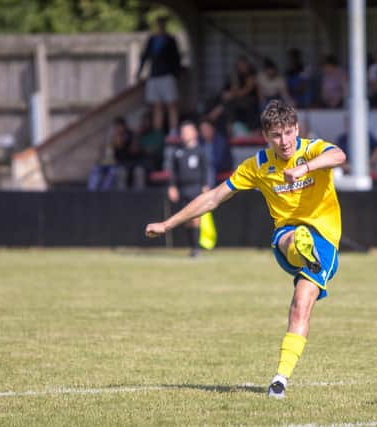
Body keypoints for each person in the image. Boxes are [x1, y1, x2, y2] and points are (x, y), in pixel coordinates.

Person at [145, 100, 346, 399]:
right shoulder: (258, 165)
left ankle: (280, 379)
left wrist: (305, 168)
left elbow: (339, 155)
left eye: (289, 132)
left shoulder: (311, 149)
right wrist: (168, 224)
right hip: (286, 235)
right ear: (266, 135)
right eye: (277, 135)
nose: (285, 141)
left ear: (297, 129)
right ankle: (301, 248)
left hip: (326, 240)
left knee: (300, 304)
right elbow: (213, 197)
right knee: (292, 238)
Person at [166, 121, 210, 257]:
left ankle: (197, 248)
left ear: (194, 133)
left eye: (187, 131)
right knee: (187, 220)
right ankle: (192, 247)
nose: (184, 134)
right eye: (182, 132)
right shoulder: (177, 152)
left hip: (196, 188)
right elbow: (173, 171)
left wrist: (205, 185)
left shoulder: (200, 151)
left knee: (196, 217)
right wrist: (172, 186)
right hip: (183, 189)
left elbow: (205, 170)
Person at [137, 16, 182, 138]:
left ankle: (173, 131)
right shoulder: (151, 39)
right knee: (157, 105)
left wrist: (176, 73)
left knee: (171, 104)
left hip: (167, 75)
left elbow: (176, 58)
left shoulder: (170, 39)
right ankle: (158, 132)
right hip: (154, 75)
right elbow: (145, 56)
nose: (160, 26)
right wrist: (139, 73)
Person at [198, 118, 233, 188]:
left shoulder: (220, 141)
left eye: (206, 129)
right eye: (202, 130)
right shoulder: (199, 142)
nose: (205, 132)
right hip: (203, 168)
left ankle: (208, 190)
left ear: (212, 128)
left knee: (209, 168)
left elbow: (219, 161)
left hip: (219, 168)